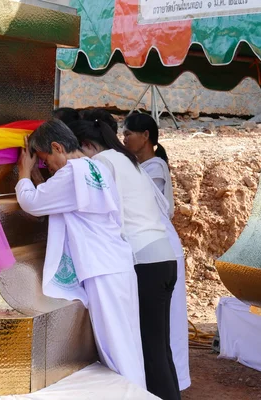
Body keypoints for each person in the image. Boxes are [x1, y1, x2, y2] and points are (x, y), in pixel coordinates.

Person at [16, 120, 146, 389]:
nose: (46, 166)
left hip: (101, 268)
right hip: (119, 263)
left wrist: (24, 173)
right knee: (128, 342)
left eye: (44, 159)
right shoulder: (96, 166)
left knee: (116, 350)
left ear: (57, 147)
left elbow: (32, 203)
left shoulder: (69, 175)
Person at [69, 119, 181, 400]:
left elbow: (97, 208)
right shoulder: (126, 159)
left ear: (86, 145)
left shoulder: (104, 162)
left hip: (145, 260)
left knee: (149, 347)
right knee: (159, 345)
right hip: (163, 256)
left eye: (76, 153)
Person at [122, 113, 190, 390]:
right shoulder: (140, 166)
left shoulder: (155, 168)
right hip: (156, 247)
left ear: (146, 136)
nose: (124, 138)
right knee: (159, 328)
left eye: (128, 133)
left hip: (162, 249)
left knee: (166, 326)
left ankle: (172, 385)